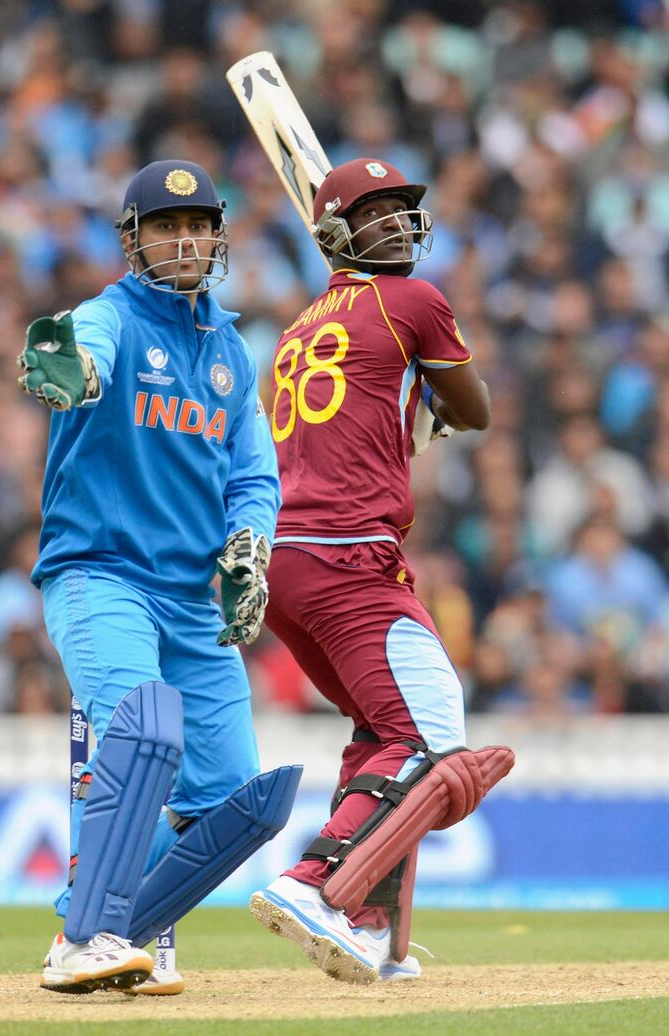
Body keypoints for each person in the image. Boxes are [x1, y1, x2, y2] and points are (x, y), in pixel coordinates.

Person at [17, 159, 301, 995]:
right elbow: (83, 355)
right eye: (165, 227)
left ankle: (120, 925)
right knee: (145, 733)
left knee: (239, 803)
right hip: (101, 575)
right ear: (132, 240)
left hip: (191, 602)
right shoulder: (107, 318)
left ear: (217, 236)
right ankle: (86, 937)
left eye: (198, 226)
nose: (184, 240)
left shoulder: (229, 350)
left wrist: (251, 544)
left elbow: (253, 475)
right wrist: (76, 368)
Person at [250, 158, 513, 984]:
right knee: (429, 731)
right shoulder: (414, 302)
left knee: (377, 732)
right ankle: (316, 882)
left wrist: (409, 427)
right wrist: (430, 419)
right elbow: (475, 411)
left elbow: (364, 420)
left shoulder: (296, 327)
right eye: (376, 214)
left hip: (286, 562)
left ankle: (368, 927)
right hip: (350, 554)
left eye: (403, 210)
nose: (398, 224)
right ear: (337, 232)